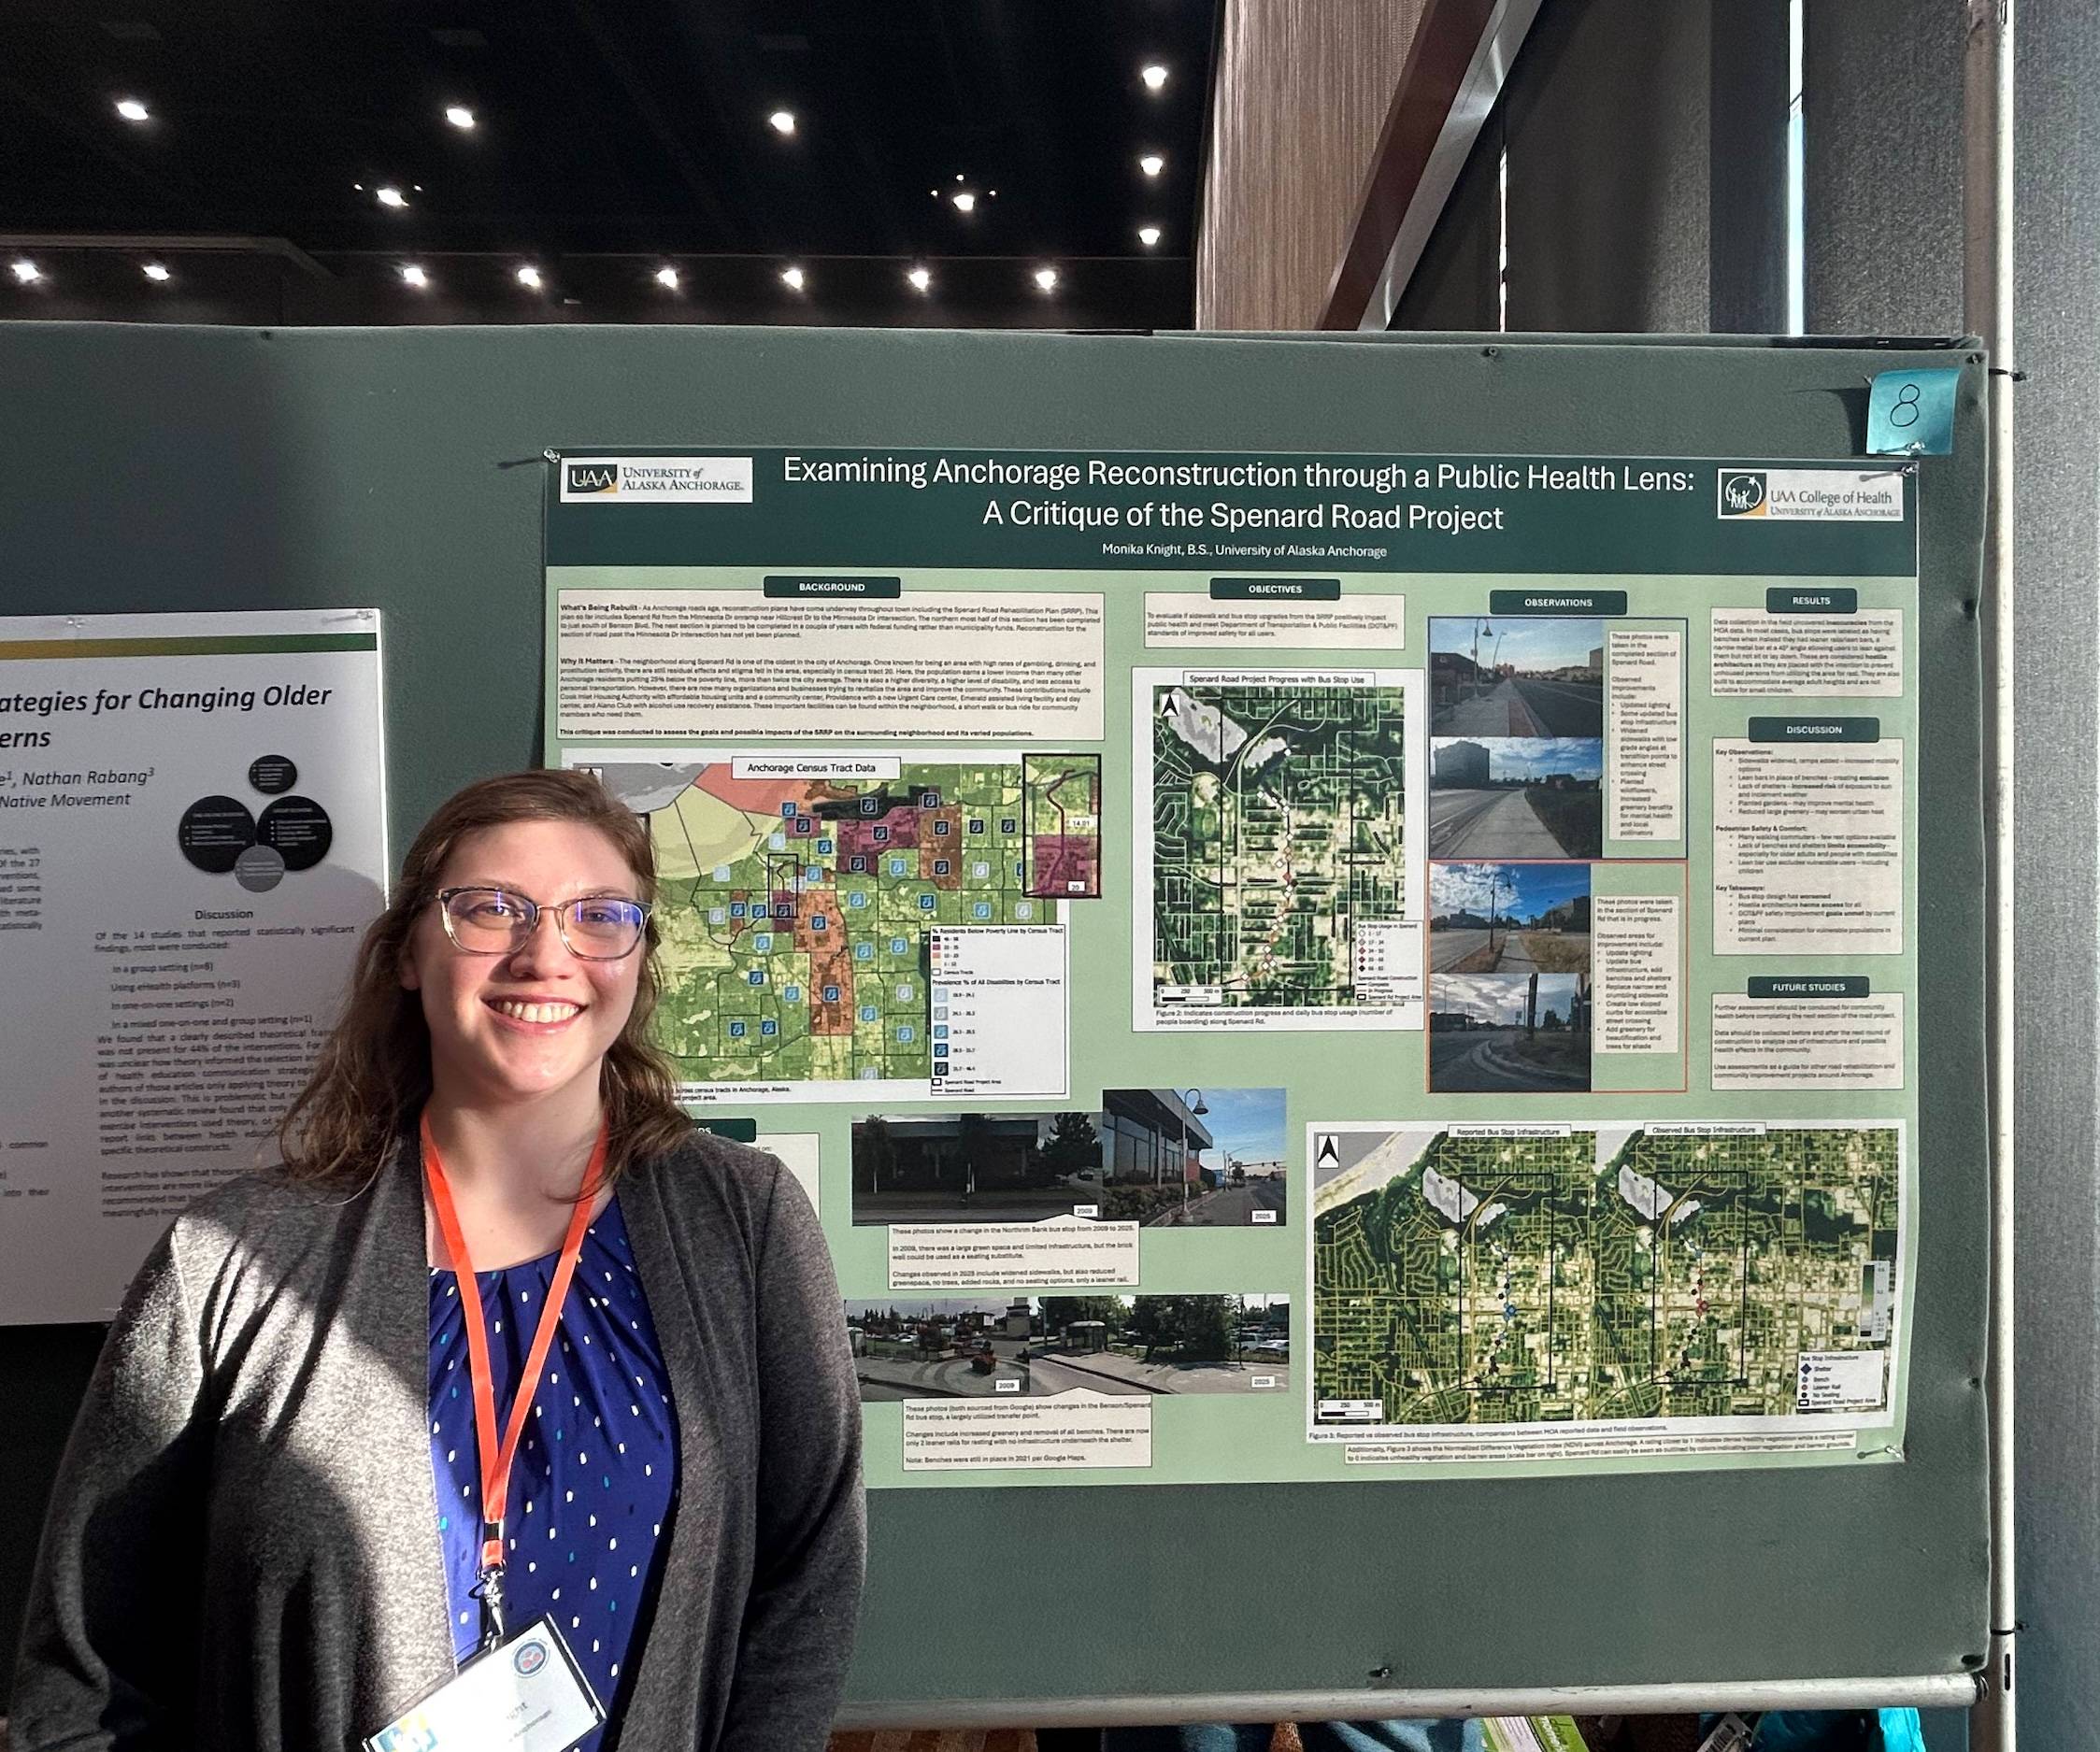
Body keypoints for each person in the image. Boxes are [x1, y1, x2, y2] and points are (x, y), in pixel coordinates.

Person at [10, 769, 864, 1752]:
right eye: (491, 909)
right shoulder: (230, 1262)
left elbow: (810, 1575)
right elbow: (87, 1664)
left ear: (636, 959)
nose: (548, 955)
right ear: (410, 952)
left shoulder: (744, 1221)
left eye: (598, 915)